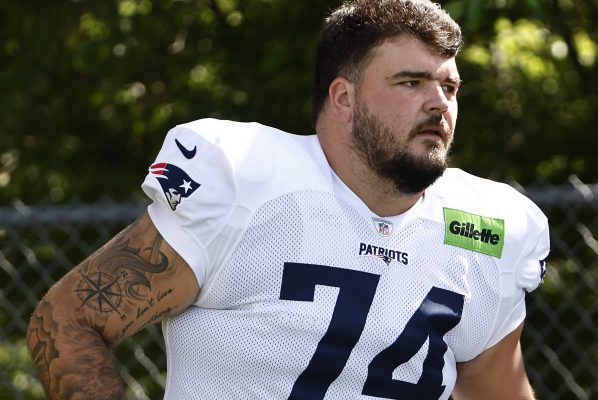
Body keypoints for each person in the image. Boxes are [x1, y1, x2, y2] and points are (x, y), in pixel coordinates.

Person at [27, 0, 549, 398]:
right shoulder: (246, 181)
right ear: (343, 98)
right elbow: (67, 321)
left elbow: (496, 389)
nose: (438, 103)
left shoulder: (488, 227)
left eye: (449, 88)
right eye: (411, 82)